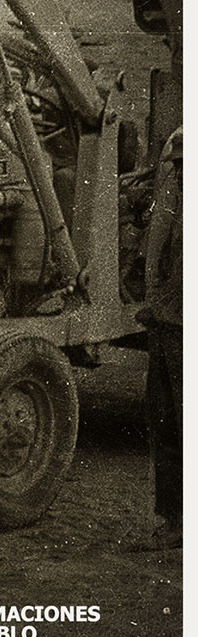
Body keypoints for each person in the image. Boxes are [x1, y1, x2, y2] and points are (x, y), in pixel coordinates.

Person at [139, 128, 181, 550]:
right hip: (167, 325)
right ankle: (173, 523)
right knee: (166, 422)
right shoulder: (173, 198)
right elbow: (157, 256)